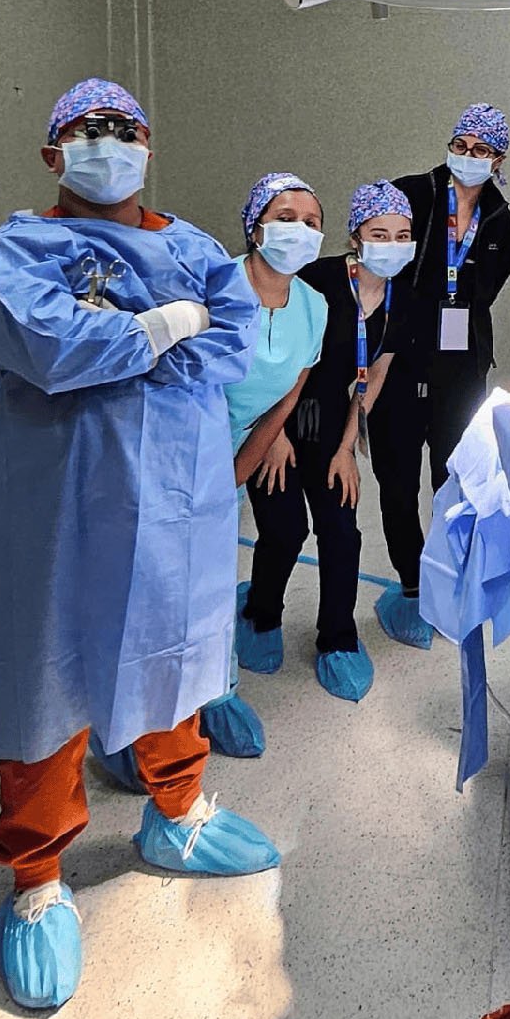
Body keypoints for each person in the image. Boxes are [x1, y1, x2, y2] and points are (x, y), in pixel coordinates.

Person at [0, 79, 279, 1012]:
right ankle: (37, 879)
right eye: (85, 130)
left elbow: (230, 346)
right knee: (48, 673)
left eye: (124, 128)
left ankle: (175, 814)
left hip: (177, 494)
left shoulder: (194, 250)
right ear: (53, 154)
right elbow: (48, 347)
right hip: (60, 503)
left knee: (177, 653)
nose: (108, 141)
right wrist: (161, 326)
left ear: (150, 144)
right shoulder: (18, 251)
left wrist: (133, 333)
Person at [243, 180, 416, 702]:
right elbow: (283, 362)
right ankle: (259, 614)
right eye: (379, 232)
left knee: (342, 529)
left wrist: (346, 448)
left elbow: (373, 378)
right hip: (276, 420)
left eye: (403, 234)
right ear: (355, 237)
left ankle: (338, 638)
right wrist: (271, 438)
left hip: (330, 423)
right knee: (284, 528)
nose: (392, 243)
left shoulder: (403, 298)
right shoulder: (316, 279)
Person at [368, 106, 510, 648]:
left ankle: (450, 577)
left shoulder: (499, 219)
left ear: (498, 159)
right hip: (401, 360)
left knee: (455, 478)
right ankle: (411, 586)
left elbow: (489, 290)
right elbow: (380, 259)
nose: (469, 156)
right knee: (398, 480)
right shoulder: (411, 194)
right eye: (462, 143)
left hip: (460, 366)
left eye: (482, 150)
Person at [200, 172, 329, 758]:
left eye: (311, 222)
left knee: (211, 574)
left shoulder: (314, 306)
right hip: (177, 442)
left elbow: (286, 397)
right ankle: (145, 707)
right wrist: (202, 476)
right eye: (285, 217)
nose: (298, 231)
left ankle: (216, 690)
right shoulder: (215, 286)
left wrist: (233, 477)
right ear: (255, 227)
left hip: (241, 445)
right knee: (168, 580)